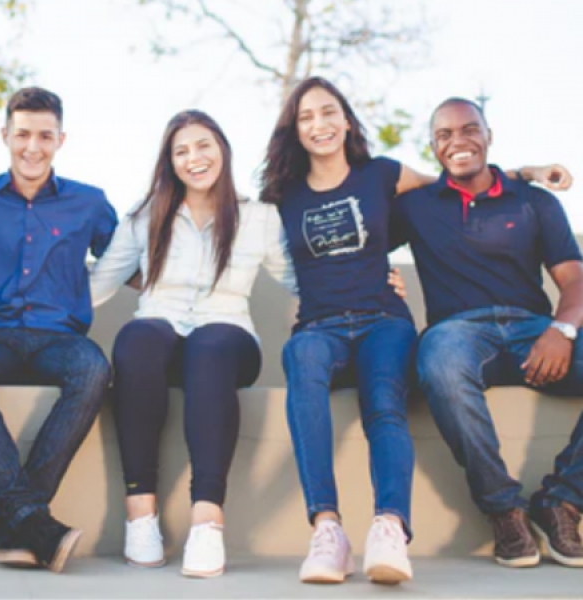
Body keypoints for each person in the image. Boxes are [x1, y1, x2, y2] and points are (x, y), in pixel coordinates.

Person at [259, 76, 568, 585]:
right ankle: (328, 529)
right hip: (319, 326)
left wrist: (527, 171)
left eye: (329, 112)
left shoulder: (381, 175)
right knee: (303, 363)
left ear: (347, 119)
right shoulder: (280, 196)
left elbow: (457, 181)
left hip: (384, 320)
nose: (320, 124)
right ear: (293, 129)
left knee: (384, 400)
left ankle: (390, 528)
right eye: (307, 116)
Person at [89, 109, 406, 578]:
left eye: (203, 146)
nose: (193, 158)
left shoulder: (258, 218)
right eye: (181, 151)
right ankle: (141, 513)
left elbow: (305, 280)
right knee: (136, 338)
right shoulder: (146, 215)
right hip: (159, 333)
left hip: (227, 338)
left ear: (222, 151)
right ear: (169, 161)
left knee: (210, 346)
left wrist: (370, 283)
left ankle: (207, 519)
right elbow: (98, 284)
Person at [393, 97, 583, 569]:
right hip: (458, 334)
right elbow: (361, 192)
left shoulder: (535, 201)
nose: (458, 141)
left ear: (489, 135)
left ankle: (562, 500)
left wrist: (562, 329)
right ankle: (503, 510)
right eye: (444, 135)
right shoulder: (416, 206)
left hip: (534, 333)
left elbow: (574, 277)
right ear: (433, 148)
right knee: (437, 360)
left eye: (469, 129)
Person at [0, 87, 117, 573]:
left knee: (93, 369)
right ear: (5, 136)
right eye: (22, 134)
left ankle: (14, 522)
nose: (32, 147)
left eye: (44, 135)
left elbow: (130, 259)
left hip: (60, 339)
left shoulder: (90, 202)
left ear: (61, 138)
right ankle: (34, 521)